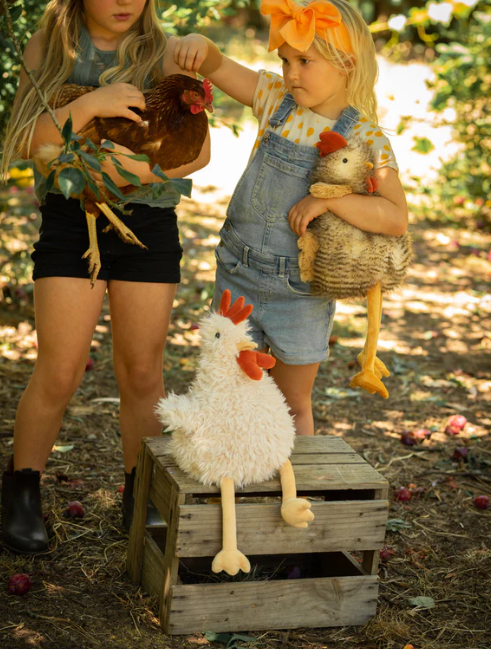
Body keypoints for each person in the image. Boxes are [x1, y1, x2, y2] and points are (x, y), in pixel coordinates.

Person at [0, 0, 210, 554]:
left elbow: (198, 150)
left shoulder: (166, 53)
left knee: (142, 372)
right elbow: (25, 140)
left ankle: (142, 494)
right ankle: (23, 490)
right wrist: (93, 102)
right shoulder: (50, 47)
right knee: (60, 368)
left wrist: (136, 171)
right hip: (73, 219)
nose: (123, 2)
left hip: (149, 223)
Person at [173, 0, 408, 435]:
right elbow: (218, 65)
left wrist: (330, 201)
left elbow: (395, 217)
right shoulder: (274, 100)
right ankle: (229, 472)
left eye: (304, 61)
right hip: (238, 275)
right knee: (225, 392)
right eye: (285, 61)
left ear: (346, 64)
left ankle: (292, 478)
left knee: (292, 404)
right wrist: (199, 46)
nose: (291, 74)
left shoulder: (365, 139)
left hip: (301, 293)